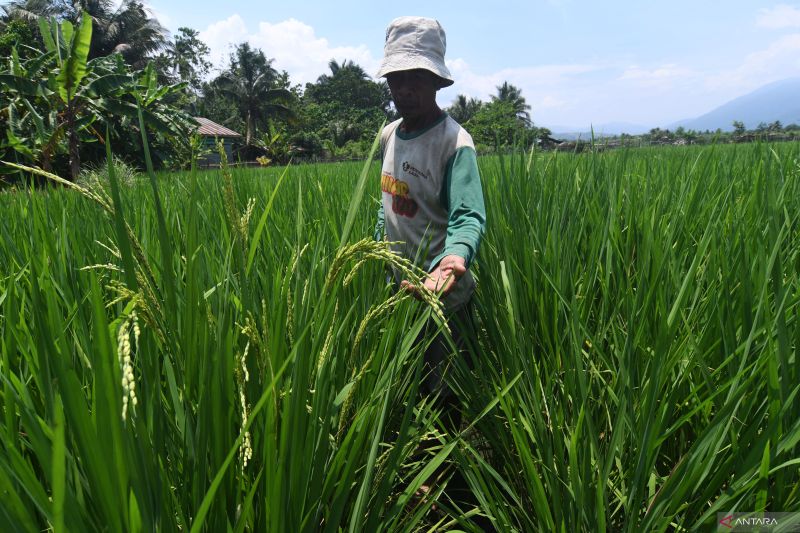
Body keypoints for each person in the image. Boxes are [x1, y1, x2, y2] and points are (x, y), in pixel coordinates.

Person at [373, 15, 487, 515]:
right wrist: (378, 254)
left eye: (415, 77)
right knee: (406, 384)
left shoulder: (455, 143)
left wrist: (451, 264)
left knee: (443, 391)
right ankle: (414, 468)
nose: (405, 88)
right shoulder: (387, 136)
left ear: (437, 80)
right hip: (400, 292)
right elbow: (386, 206)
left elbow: (467, 217)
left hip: (444, 296)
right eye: (397, 78)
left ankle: (448, 488)